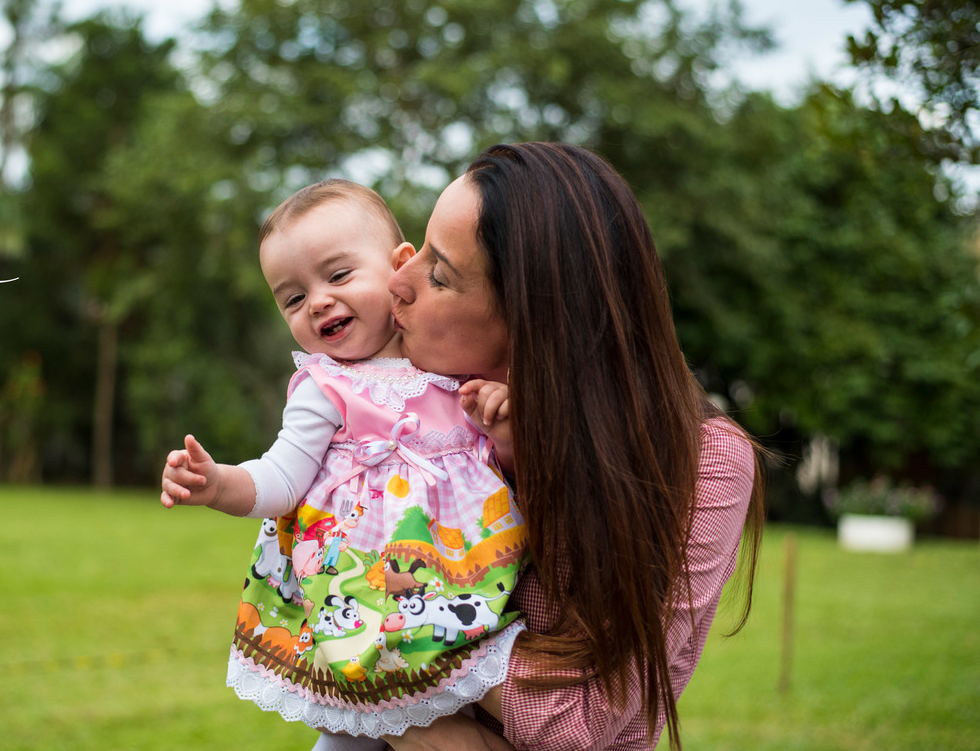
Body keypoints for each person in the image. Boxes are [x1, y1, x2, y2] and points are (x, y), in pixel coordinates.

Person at [382, 142, 766, 751]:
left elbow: (575, 723)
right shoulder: (410, 417)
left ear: (535, 317)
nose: (395, 281)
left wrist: (415, 661)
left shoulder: (703, 464)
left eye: (438, 274)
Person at [160, 180, 528, 749]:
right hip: (356, 595)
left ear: (399, 267)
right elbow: (280, 478)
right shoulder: (324, 386)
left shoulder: (452, 359)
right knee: (352, 728)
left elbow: (500, 472)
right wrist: (217, 483)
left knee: (489, 711)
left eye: (337, 276)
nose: (319, 301)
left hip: (463, 581)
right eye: (292, 297)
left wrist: (504, 429)